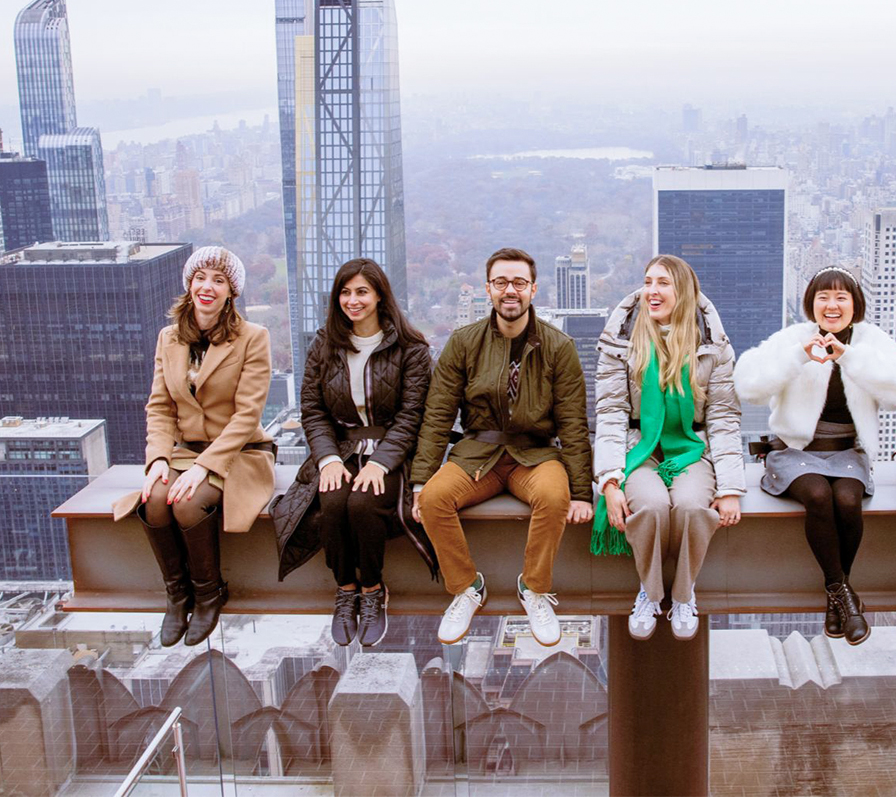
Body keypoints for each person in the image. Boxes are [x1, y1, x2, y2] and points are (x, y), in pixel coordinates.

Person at [411, 247, 594, 647]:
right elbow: (438, 415)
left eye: (518, 283)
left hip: (536, 454)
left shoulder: (558, 347)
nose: (510, 291)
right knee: (434, 500)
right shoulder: (463, 343)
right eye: (501, 283)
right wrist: (420, 480)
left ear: (533, 289)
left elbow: (573, 424)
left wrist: (582, 491)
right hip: (479, 453)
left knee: (553, 495)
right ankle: (465, 588)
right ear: (488, 289)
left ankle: (534, 588)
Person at [737, 266, 896, 644]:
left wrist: (848, 357)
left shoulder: (870, 340)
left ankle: (837, 599)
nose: (832, 305)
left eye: (841, 297)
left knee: (848, 500)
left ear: (855, 304)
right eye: (823, 297)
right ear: (811, 304)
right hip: (795, 449)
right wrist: (797, 358)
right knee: (818, 495)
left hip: (846, 449)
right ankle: (844, 597)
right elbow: (748, 385)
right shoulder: (794, 338)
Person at [274, 259, 438, 649]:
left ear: (380, 295)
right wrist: (329, 459)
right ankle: (345, 589)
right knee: (330, 503)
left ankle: (373, 588)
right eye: (345, 293)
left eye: (362, 291)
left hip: (393, 451)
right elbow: (313, 411)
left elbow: (413, 415)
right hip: (342, 448)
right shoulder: (324, 345)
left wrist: (381, 463)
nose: (353, 300)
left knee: (363, 505)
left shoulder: (411, 349)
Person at [126, 246, 275, 647]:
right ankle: (177, 595)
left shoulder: (252, 338)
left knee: (188, 502)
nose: (207, 287)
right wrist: (157, 458)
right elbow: (160, 407)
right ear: (189, 284)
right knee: (155, 499)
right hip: (181, 451)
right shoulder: (169, 338)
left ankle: (209, 592)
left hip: (238, 452)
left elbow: (247, 416)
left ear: (232, 292)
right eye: (200, 277)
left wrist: (204, 467)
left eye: (219, 280)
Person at [591, 255, 744, 642]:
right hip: (638, 445)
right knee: (653, 506)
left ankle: (683, 593)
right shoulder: (621, 339)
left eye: (663, 283)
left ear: (684, 292)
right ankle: (651, 592)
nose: (652, 291)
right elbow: (610, 411)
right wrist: (610, 480)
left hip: (691, 447)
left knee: (693, 507)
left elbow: (724, 418)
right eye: (648, 282)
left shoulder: (713, 344)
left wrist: (729, 489)